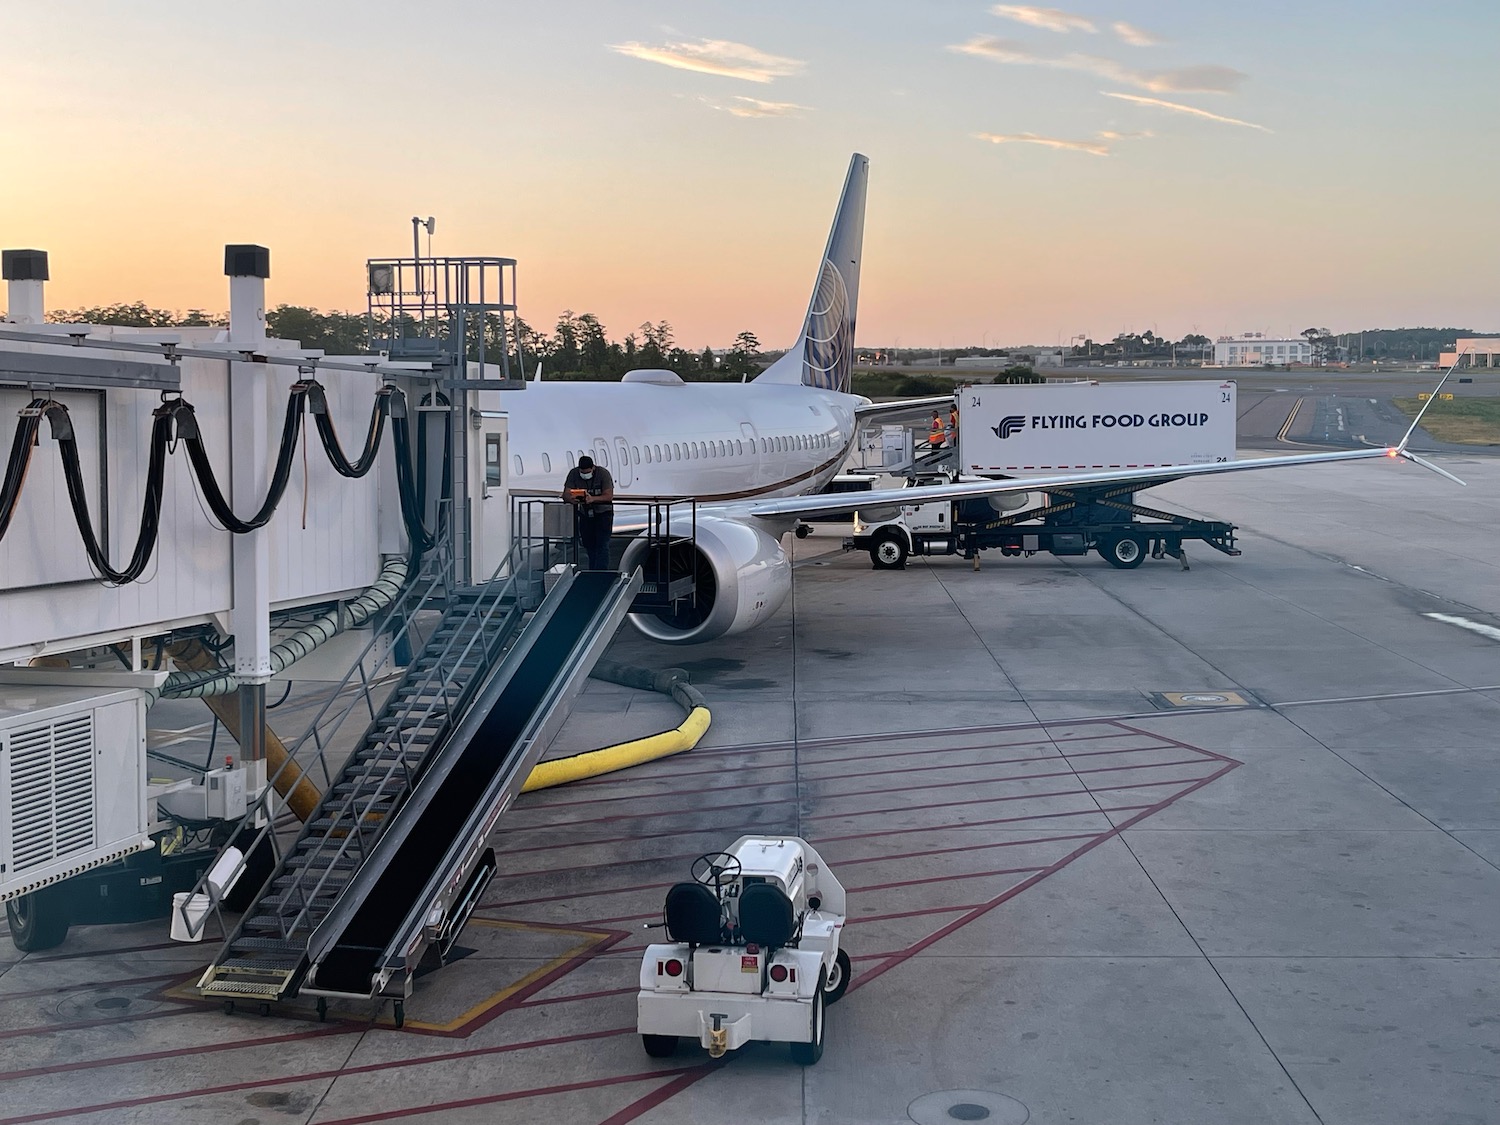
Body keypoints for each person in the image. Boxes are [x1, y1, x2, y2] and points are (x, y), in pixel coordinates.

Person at [562, 454, 615, 571]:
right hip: (585, 514)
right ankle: (593, 570)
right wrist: (572, 499)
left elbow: (608, 496)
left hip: (603, 514)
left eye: (587, 472)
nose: (585, 474)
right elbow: (565, 494)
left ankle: (601, 573)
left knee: (602, 545)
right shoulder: (574, 474)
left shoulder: (603, 474)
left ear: (593, 468)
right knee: (588, 544)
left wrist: (593, 499)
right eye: (582, 472)